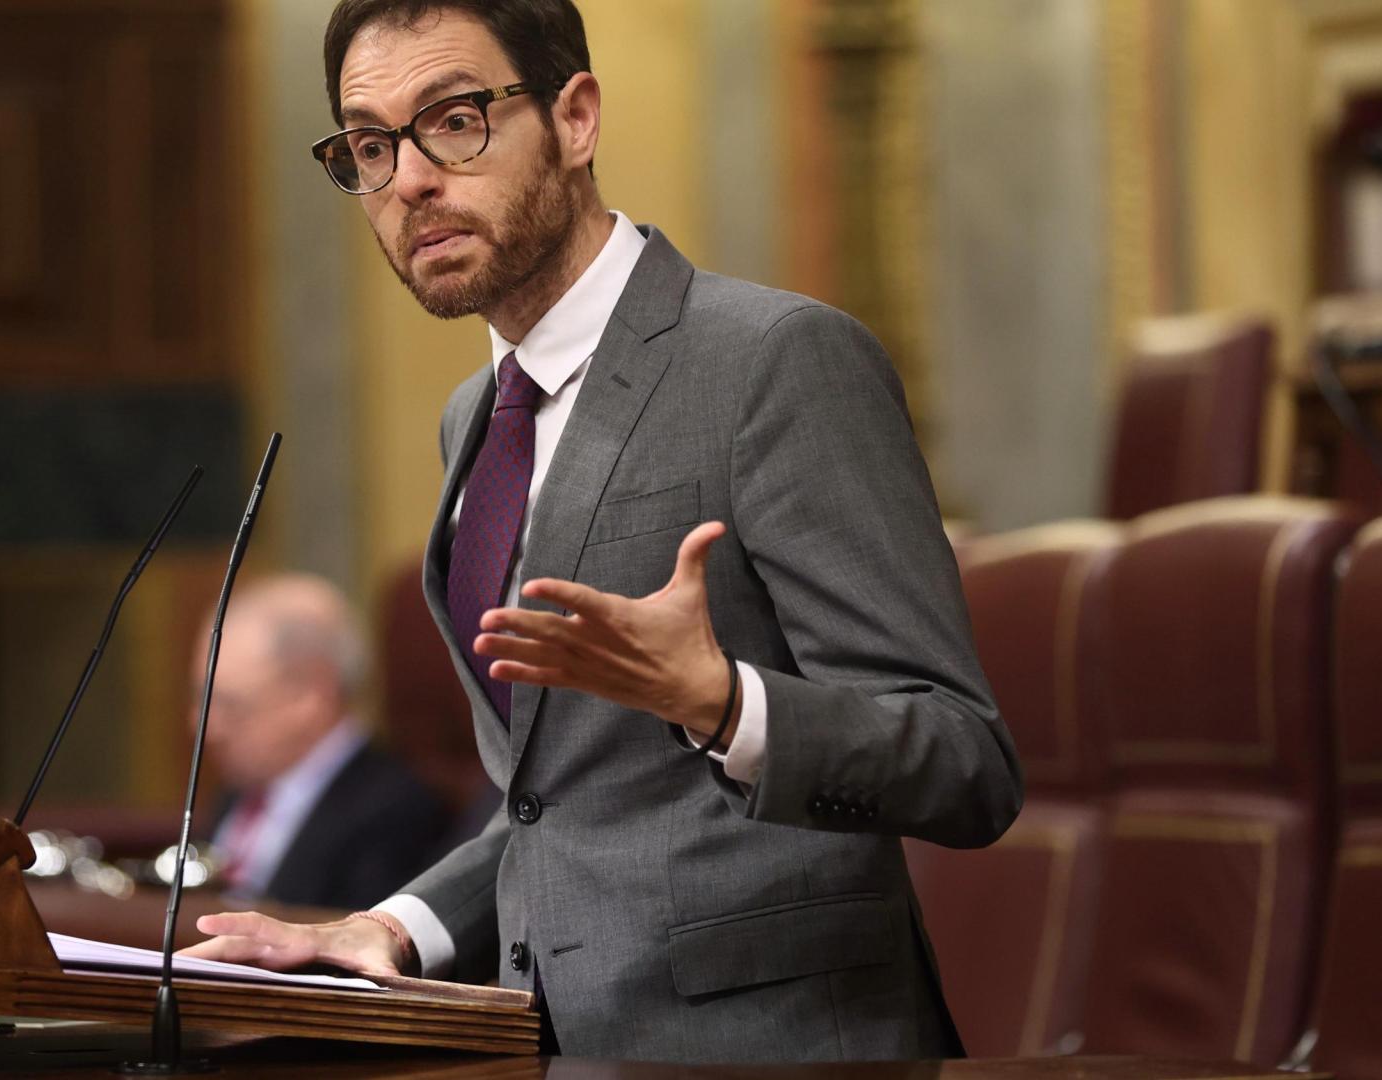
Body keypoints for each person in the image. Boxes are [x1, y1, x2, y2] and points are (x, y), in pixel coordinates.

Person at [181, 0, 1022, 1063]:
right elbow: (557, 805)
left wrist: (725, 704)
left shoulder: (776, 360)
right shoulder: (474, 417)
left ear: (575, 119)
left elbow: (964, 761)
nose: (409, 181)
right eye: (371, 145)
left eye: (454, 121)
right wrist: (393, 926)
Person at [195, 573, 447, 912]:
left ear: (309, 697)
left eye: (230, 704)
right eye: (202, 700)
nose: (206, 727)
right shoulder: (238, 793)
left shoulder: (392, 810)